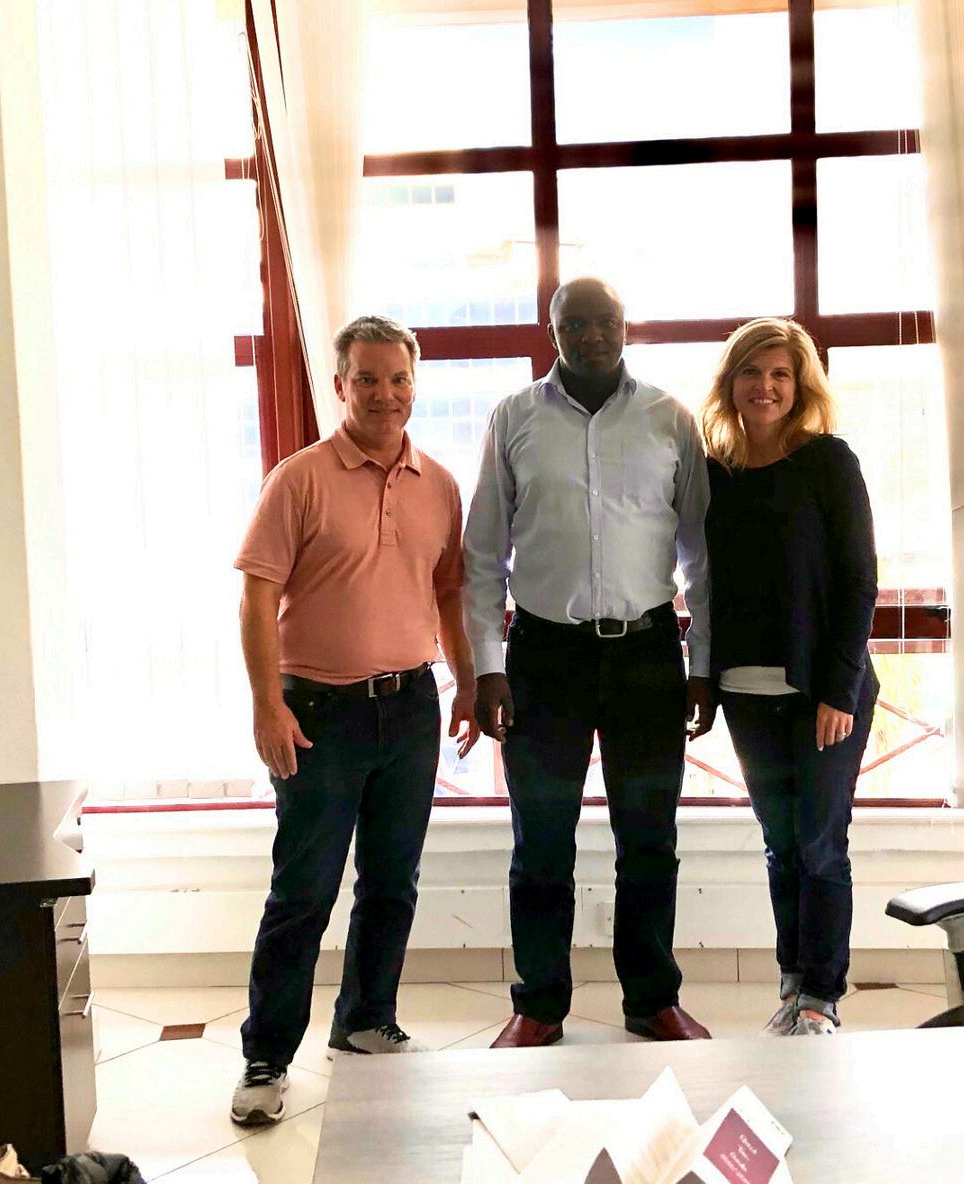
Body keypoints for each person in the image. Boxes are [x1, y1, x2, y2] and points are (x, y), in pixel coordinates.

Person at [229, 315, 479, 1127]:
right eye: (367, 379)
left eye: (398, 379)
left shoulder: (439, 485)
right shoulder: (298, 479)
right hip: (317, 714)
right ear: (340, 385)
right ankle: (266, 1056)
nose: (384, 394)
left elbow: (449, 591)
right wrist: (266, 703)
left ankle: (367, 1021)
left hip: (409, 707)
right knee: (303, 890)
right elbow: (258, 596)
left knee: (392, 881)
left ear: (415, 384)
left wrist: (466, 682)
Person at [465, 277, 715, 1048]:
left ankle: (652, 998)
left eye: (605, 321)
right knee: (542, 841)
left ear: (625, 325)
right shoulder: (514, 418)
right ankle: (539, 1004)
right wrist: (487, 664)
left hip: (647, 654)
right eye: (575, 324)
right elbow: (483, 554)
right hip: (545, 657)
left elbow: (702, 555)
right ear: (553, 333)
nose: (592, 335)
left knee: (650, 839)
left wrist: (701, 663)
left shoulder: (669, 418)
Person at [698, 318, 878, 1038]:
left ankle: (822, 996)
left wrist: (839, 689)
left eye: (780, 374)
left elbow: (860, 580)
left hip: (823, 693)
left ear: (800, 387)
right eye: (752, 372)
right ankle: (794, 980)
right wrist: (703, 679)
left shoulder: (828, 461)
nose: (765, 386)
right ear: (731, 383)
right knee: (780, 843)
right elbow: (702, 582)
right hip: (746, 691)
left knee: (820, 844)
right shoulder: (714, 472)